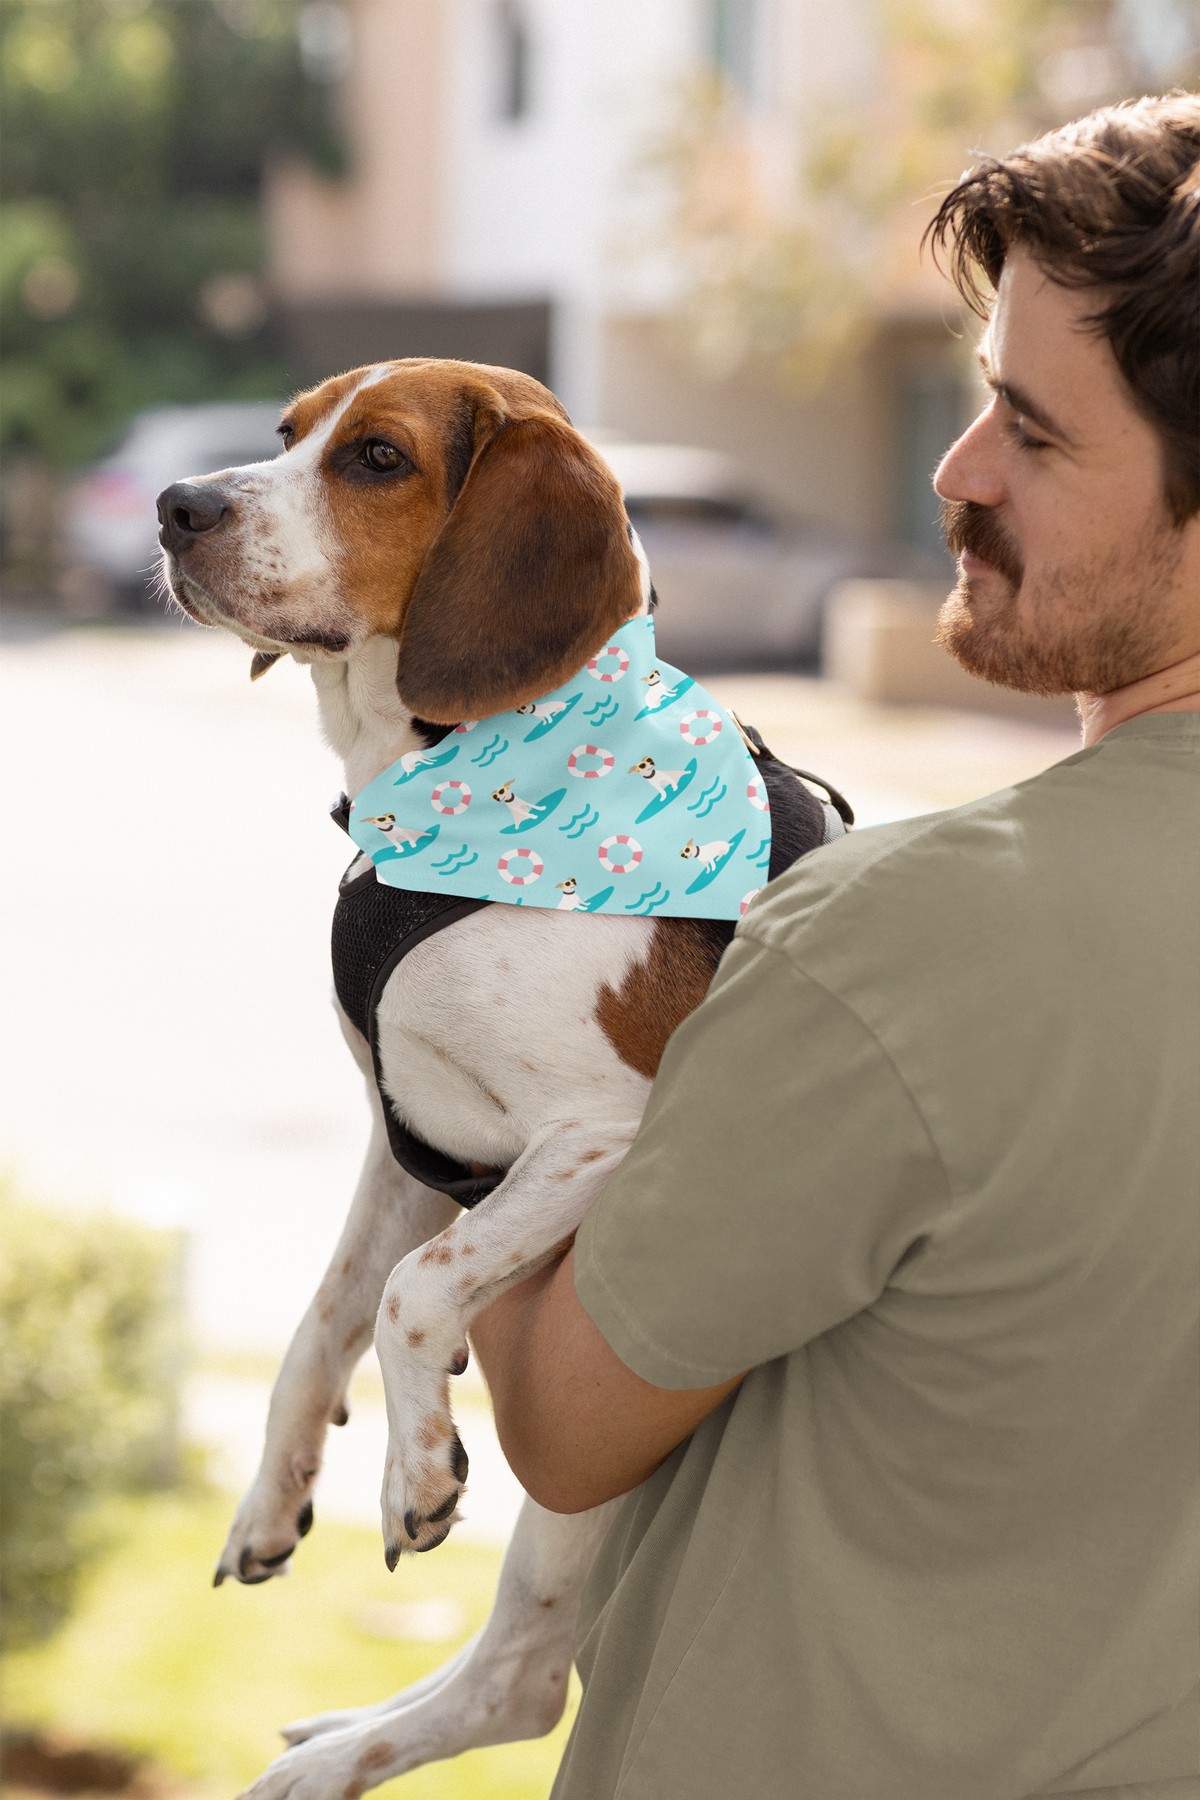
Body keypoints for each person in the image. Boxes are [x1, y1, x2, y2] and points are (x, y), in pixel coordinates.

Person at [471, 95, 1200, 1800]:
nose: (957, 472)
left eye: (1032, 429)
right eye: (976, 398)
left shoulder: (914, 944)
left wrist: (451, 999)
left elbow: (566, 1429)